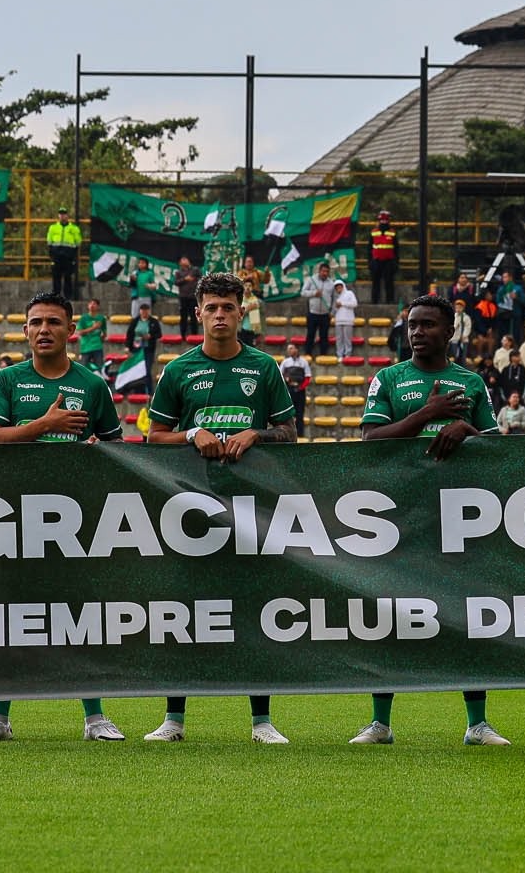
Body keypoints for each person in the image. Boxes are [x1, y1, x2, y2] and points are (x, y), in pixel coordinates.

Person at [143, 272, 297, 744]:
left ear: (241, 310)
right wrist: (191, 434)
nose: (220, 316)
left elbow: (290, 433)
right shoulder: (178, 370)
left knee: (254, 611)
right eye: (211, 308)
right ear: (198, 313)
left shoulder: (263, 368)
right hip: (190, 508)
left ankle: (262, 722)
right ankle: (173, 719)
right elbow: (154, 437)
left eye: (228, 307)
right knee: (183, 612)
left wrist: (257, 433)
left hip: (251, 508)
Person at [0, 292, 126, 745]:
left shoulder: (93, 385)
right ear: (24, 330)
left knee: (80, 614)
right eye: (35, 322)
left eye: (54, 322)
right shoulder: (10, 379)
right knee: (9, 614)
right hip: (14, 514)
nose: (44, 329)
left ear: (70, 330)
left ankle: (95, 716)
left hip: (74, 518)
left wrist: (100, 455)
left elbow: (117, 451)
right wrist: (43, 425)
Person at [351, 294, 507, 745]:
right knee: (389, 617)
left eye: (427, 325)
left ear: (450, 331)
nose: (417, 332)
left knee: (469, 618)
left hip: (460, 519)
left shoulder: (471, 382)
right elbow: (369, 440)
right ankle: (380, 722)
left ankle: (477, 723)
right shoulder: (389, 378)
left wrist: (468, 429)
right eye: (412, 325)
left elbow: (497, 450)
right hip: (398, 515)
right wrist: (428, 415)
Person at [45, 206, 82, 300]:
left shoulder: (74, 228)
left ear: (67, 215)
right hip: (56, 255)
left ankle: (68, 296)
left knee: (68, 277)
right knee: (56, 276)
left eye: (64, 214)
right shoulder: (53, 228)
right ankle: (56, 296)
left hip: (68, 256)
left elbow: (78, 242)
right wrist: (52, 255)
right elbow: (49, 242)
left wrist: (73, 256)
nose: (62, 216)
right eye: (60, 214)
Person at [301, 262, 335, 356]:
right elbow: (303, 292)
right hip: (313, 313)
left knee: (324, 336)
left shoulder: (331, 283)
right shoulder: (311, 280)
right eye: (323, 271)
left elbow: (334, 298)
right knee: (310, 334)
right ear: (319, 271)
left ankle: (323, 355)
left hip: (325, 314)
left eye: (327, 272)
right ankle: (308, 354)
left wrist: (332, 312)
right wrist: (314, 293)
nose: (325, 273)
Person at [282, 343, 312, 437]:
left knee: (300, 414)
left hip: (300, 391)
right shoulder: (285, 362)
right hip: (289, 390)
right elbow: (280, 375)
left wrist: (300, 387)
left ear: (296, 349)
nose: (289, 351)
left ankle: (300, 434)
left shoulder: (304, 362)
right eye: (288, 349)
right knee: (289, 414)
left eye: (291, 348)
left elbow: (307, 377)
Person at [369, 210, 398, 304]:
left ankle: (390, 300)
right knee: (375, 282)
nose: (384, 222)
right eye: (382, 220)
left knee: (389, 282)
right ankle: (374, 301)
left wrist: (396, 262)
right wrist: (369, 262)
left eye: (386, 220)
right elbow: (369, 248)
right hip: (376, 261)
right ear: (379, 220)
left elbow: (397, 249)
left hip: (389, 261)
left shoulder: (393, 232)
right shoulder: (373, 232)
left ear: (389, 221)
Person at [75, 298, 107, 374]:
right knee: (83, 369)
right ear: (88, 306)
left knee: (99, 368)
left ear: (98, 306)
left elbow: (104, 332)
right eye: (90, 303)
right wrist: (93, 328)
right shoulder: (83, 318)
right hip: (86, 347)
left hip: (97, 346)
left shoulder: (101, 318)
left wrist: (101, 339)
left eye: (94, 304)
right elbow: (80, 332)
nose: (92, 305)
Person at [174, 256, 202, 339]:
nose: (184, 261)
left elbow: (201, 279)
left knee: (194, 316)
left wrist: (195, 281)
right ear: (179, 263)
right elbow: (176, 282)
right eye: (182, 260)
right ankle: (182, 335)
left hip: (193, 297)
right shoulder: (178, 272)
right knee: (183, 317)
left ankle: (194, 335)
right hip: (183, 297)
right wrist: (185, 279)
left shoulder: (195, 270)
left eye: (185, 259)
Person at [332, 279, 360, 359]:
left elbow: (354, 304)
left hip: (348, 320)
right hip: (338, 320)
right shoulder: (335, 297)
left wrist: (343, 304)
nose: (338, 289)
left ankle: (348, 353)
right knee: (339, 339)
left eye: (340, 287)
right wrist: (336, 307)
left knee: (347, 338)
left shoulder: (349, 293)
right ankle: (339, 354)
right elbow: (334, 309)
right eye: (337, 288)